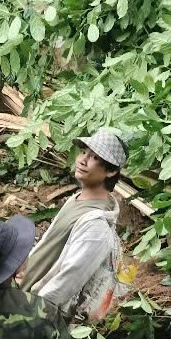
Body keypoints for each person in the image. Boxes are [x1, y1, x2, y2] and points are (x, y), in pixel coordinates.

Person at [21, 128, 129, 322]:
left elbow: (68, 279)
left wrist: (32, 315)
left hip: (37, 312)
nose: (82, 160)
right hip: (25, 295)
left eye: (95, 158)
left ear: (111, 170)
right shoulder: (76, 200)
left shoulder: (97, 226)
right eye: (84, 152)